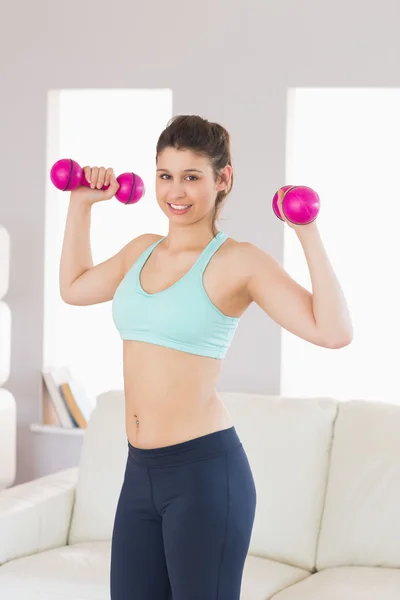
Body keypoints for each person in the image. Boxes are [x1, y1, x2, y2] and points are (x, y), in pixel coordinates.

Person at [59, 115, 353, 599]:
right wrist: (81, 203)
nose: (176, 191)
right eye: (165, 175)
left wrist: (306, 229)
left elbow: (334, 332)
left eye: (192, 177)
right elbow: (73, 288)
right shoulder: (140, 251)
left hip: (204, 477)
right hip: (139, 473)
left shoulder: (238, 261)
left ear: (223, 179)